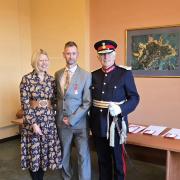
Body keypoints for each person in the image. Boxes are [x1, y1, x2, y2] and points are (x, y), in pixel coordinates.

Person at [90, 40, 140, 180]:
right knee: (103, 161)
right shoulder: (93, 76)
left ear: (114, 54)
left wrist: (120, 108)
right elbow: (89, 101)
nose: (106, 57)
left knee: (118, 162)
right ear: (98, 57)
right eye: (102, 54)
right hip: (98, 126)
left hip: (116, 125)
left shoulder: (124, 74)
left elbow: (135, 98)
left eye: (109, 53)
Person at [20, 49, 62, 180]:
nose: (44, 63)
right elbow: (25, 104)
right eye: (40, 60)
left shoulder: (51, 80)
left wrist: (55, 113)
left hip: (48, 123)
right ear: (35, 62)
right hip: (33, 124)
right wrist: (33, 124)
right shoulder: (26, 79)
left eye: (46, 60)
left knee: (44, 156)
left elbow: (55, 100)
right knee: (34, 156)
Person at [55, 41, 91, 180]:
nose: (71, 56)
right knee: (65, 154)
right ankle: (66, 177)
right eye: (68, 53)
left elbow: (87, 102)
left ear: (78, 55)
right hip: (62, 123)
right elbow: (58, 99)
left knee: (83, 155)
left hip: (80, 124)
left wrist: (72, 119)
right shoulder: (57, 74)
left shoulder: (86, 75)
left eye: (73, 53)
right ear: (64, 54)